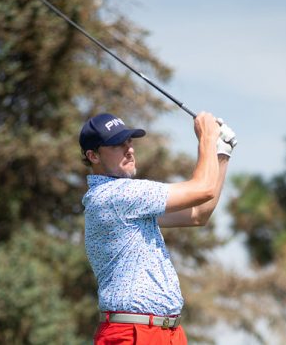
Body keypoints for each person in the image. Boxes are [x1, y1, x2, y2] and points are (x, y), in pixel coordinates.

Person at [79, 112, 236, 345]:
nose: (129, 150)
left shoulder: (131, 204)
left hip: (166, 332)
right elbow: (204, 189)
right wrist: (207, 137)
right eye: (117, 145)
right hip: (133, 333)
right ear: (93, 156)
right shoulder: (114, 195)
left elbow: (198, 215)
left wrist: (221, 153)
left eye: (129, 142)